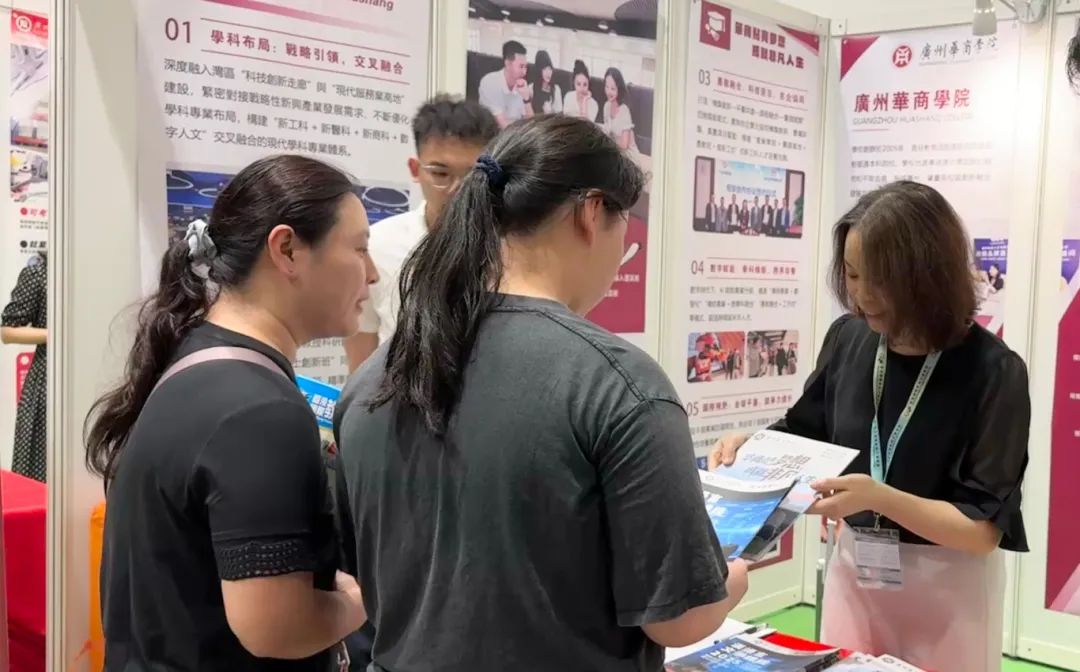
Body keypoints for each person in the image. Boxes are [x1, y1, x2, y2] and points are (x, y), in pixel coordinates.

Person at [335, 115, 748, 671]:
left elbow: (363, 575)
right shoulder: (618, 384)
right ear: (591, 213)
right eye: (625, 227)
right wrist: (732, 577)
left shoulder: (375, 377)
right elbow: (679, 618)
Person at [709, 181, 1030, 672]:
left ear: (927, 276)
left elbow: (981, 530)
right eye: (853, 274)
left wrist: (879, 498)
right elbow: (806, 430)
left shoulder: (993, 371)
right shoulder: (849, 339)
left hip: (948, 589)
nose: (860, 296)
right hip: (855, 574)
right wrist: (752, 446)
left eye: (879, 280)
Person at [87, 155, 373, 671]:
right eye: (358, 248)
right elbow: (277, 627)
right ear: (287, 250)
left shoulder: (202, 360)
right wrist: (360, 601)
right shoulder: (258, 411)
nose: (371, 274)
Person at [344, 95, 499, 370]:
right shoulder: (379, 245)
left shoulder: (512, 247)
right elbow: (361, 358)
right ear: (416, 170)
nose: (457, 190)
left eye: (472, 176)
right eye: (441, 174)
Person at [1, 252, 47, 482]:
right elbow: (7, 331)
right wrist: (59, 333)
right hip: (48, 378)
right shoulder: (40, 272)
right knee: (40, 469)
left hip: (93, 373)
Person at [478, 40, 528, 128]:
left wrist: (527, 99)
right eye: (521, 66)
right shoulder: (490, 82)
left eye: (526, 67)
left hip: (516, 133)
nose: (524, 72)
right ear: (507, 63)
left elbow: (531, 123)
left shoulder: (522, 85)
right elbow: (502, 124)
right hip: (494, 133)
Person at [601, 67, 637, 153]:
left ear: (619, 89)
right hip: (613, 150)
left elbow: (624, 145)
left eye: (613, 88)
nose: (609, 92)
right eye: (606, 87)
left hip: (628, 154)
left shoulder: (624, 110)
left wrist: (607, 141)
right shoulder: (606, 106)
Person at [529, 50, 562, 115]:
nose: (548, 73)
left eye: (550, 69)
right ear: (539, 70)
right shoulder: (531, 88)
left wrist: (549, 112)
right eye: (544, 69)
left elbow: (559, 115)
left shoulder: (556, 89)